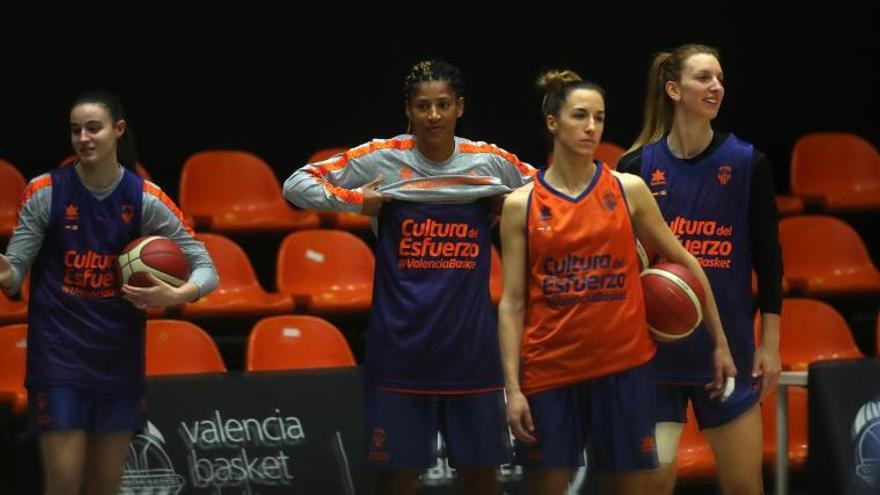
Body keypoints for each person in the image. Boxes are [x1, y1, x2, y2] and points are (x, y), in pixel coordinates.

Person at [283, 59, 535, 495]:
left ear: (460, 107)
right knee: (395, 480)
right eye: (423, 106)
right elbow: (296, 185)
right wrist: (356, 202)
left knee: (481, 477)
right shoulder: (382, 156)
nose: (433, 115)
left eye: (442, 105)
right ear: (409, 110)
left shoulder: (489, 162)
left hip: (471, 350)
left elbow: (551, 196)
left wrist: (511, 203)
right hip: (400, 350)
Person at [498, 69, 736, 495]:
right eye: (579, 116)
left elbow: (686, 262)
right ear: (553, 122)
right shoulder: (522, 204)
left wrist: (718, 341)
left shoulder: (630, 190)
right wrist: (512, 389)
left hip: (624, 369)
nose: (592, 127)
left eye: (600, 117)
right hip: (551, 370)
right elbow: (512, 303)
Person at [0, 90, 218, 495]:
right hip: (58, 358)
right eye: (75, 130)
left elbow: (207, 269)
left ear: (118, 130)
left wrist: (175, 295)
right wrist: (4, 268)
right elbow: (14, 277)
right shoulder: (44, 191)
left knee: (104, 488)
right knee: (63, 485)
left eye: (93, 128)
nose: (83, 138)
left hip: (118, 359)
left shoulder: (145, 198)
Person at [618, 43, 783, 494]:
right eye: (704, 78)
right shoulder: (634, 170)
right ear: (673, 89)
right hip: (655, 359)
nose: (717, 87)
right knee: (654, 484)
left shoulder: (748, 163)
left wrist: (770, 345)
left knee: (744, 485)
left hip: (725, 353)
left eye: (720, 79)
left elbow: (770, 261)